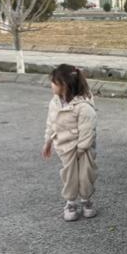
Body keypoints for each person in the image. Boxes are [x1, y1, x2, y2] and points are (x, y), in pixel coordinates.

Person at [42, 64, 98, 221]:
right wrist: (47, 142)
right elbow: (51, 123)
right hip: (65, 148)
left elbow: (88, 130)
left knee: (86, 174)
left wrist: (81, 149)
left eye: (53, 82)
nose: (51, 85)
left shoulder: (83, 107)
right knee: (68, 175)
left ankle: (87, 201)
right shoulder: (54, 103)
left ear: (63, 85)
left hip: (83, 149)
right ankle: (71, 202)